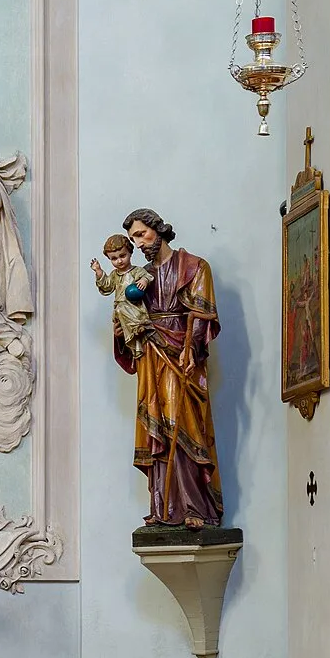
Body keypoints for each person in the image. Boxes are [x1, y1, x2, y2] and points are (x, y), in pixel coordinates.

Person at [109, 207, 223, 528]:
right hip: (149, 355)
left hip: (179, 354)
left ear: (159, 230)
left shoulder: (194, 267)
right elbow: (126, 311)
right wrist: (120, 332)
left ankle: (194, 507)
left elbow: (200, 316)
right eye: (133, 238)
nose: (139, 243)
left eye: (142, 234)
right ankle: (163, 509)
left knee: (180, 421)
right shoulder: (138, 277)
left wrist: (191, 348)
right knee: (155, 429)